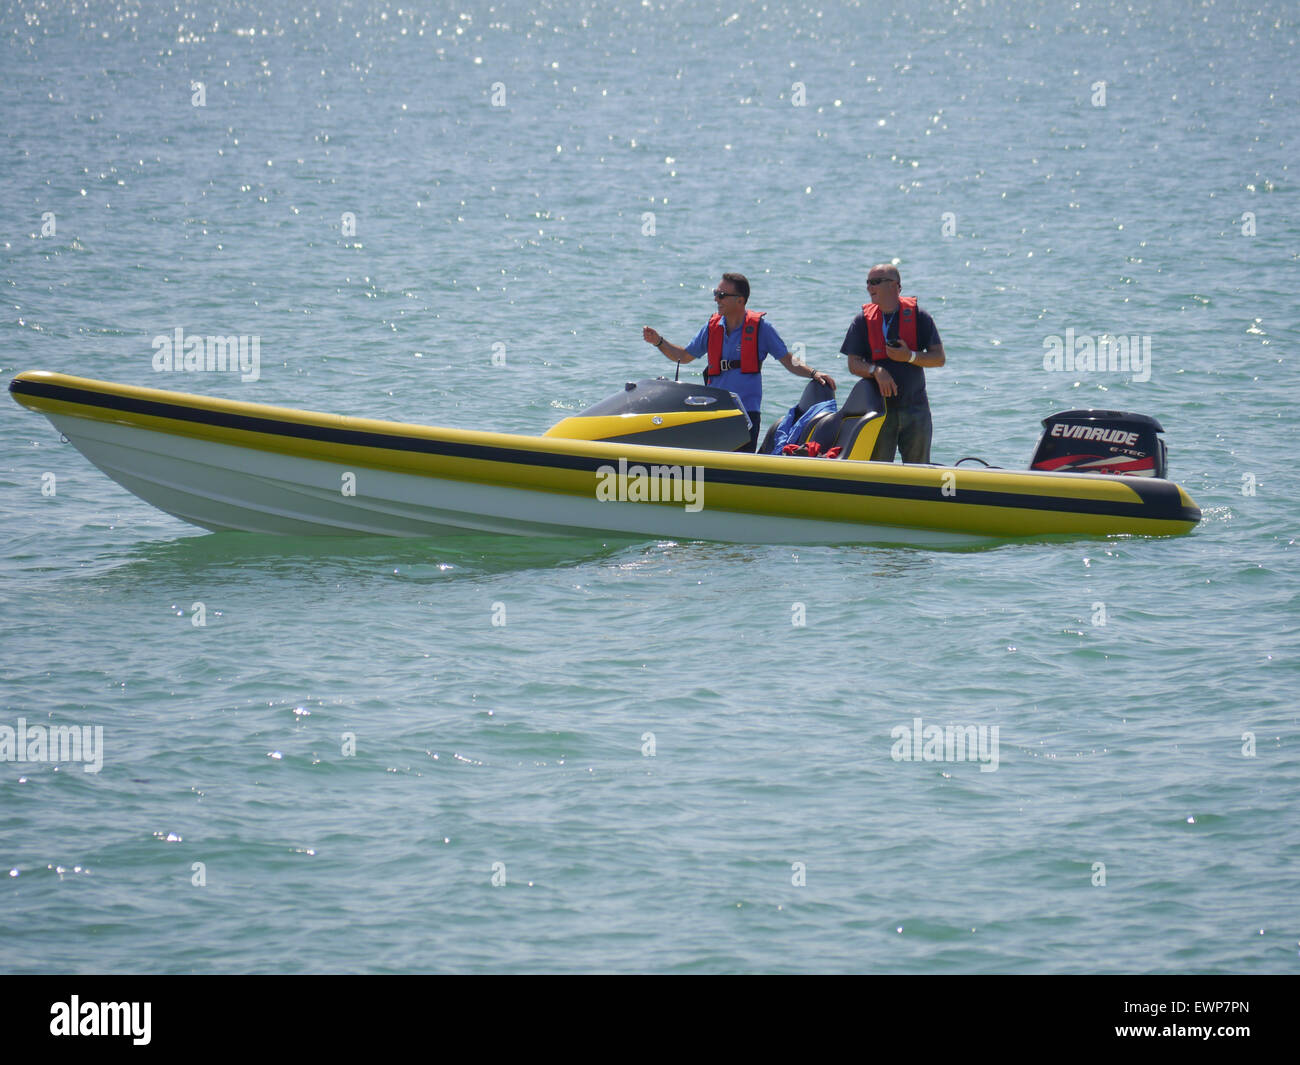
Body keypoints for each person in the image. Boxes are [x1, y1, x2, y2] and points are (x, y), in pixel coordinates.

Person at [642, 273, 835, 452]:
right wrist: (659, 341)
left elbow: (787, 359)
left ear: (740, 300)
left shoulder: (761, 329)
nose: (716, 299)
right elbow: (683, 356)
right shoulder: (712, 327)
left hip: (745, 415)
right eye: (716, 293)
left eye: (722, 295)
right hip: (714, 412)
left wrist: (813, 373)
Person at [841, 264, 945, 463]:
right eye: (868, 283)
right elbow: (853, 363)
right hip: (879, 411)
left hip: (916, 408)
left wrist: (910, 357)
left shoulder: (919, 317)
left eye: (875, 282)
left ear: (895, 286)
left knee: (918, 471)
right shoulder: (862, 321)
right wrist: (876, 370)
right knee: (878, 472)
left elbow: (939, 358)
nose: (869, 287)